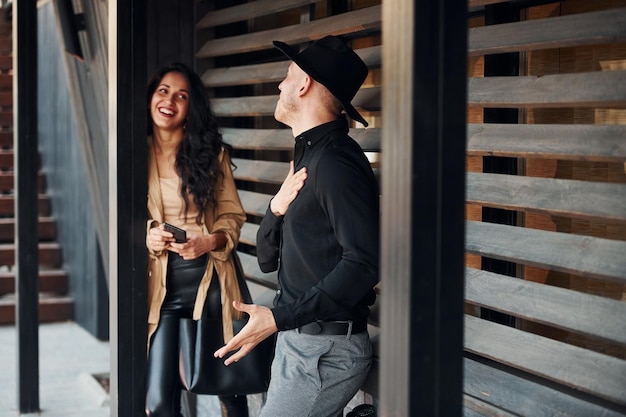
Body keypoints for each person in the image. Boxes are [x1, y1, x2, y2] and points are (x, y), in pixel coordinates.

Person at [214, 36, 380, 417]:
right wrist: (275, 207)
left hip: (324, 353)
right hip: (300, 342)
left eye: (287, 75)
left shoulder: (336, 163)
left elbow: (365, 262)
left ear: (304, 84)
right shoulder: (309, 157)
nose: (280, 85)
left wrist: (278, 318)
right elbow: (269, 258)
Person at [144, 62, 248, 417]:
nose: (170, 100)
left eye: (181, 95)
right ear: (150, 97)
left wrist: (209, 241)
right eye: (163, 91)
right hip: (162, 287)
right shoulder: (132, 155)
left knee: (229, 393)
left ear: (192, 108)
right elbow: (122, 219)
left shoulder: (212, 155)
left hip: (213, 282)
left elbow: (233, 217)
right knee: (158, 403)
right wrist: (148, 235)